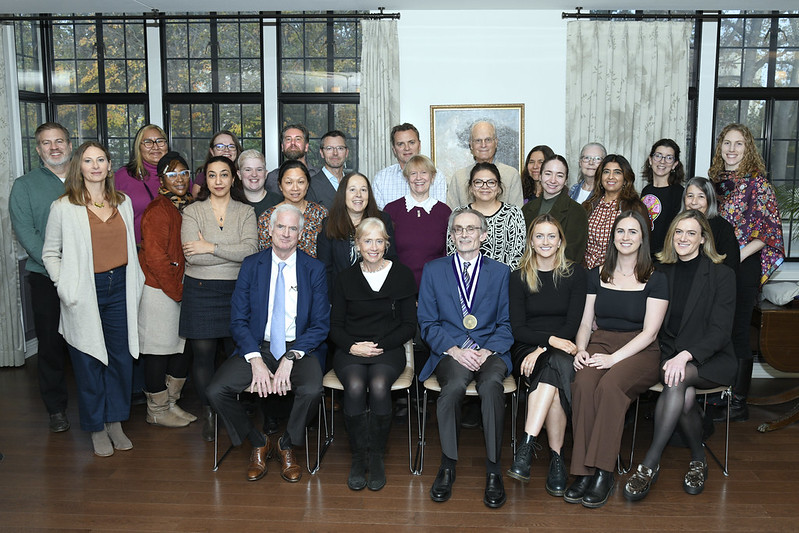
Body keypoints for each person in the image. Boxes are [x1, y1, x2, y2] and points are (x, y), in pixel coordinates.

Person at [206, 204, 329, 483]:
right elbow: (238, 319)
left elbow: (320, 324)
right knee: (216, 390)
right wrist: (256, 359)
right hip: (256, 346)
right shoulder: (252, 265)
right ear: (269, 230)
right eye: (281, 227)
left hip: (298, 347)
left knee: (311, 389)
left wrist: (291, 356)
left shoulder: (314, 269)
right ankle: (258, 441)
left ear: (301, 233)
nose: (286, 233)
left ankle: (286, 444)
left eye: (293, 228)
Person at [623, 210, 736, 501]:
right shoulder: (660, 272)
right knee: (681, 389)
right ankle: (698, 458)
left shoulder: (722, 275)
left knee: (678, 381)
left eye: (691, 233)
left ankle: (649, 464)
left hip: (712, 357)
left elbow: (721, 331)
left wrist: (687, 354)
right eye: (678, 232)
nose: (683, 238)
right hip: (669, 355)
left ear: (702, 239)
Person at [42, 141, 145, 457]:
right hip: (85, 290)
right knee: (88, 360)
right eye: (88, 160)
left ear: (109, 165)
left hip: (120, 288)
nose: (96, 165)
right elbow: (50, 253)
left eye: (101, 159)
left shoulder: (122, 202)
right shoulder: (64, 207)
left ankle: (115, 421)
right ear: (79, 166)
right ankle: (96, 427)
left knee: (119, 358)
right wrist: (66, 287)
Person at [564, 210, 668, 509]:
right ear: (613, 237)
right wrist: (581, 350)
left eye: (633, 232)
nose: (625, 237)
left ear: (642, 238)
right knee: (583, 383)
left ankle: (603, 472)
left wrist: (613, 360)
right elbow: (586, 322)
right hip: (601, 342)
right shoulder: (597, 273)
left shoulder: (655, 278)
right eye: (620, 231)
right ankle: (582, 470)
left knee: (610, 388)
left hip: (639, 351)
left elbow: (650, 333)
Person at [418, 207, 514, 509]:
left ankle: (494, 469)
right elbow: (427, 322)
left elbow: (507, 323)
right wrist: (458, 349)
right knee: (454, 386)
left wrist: (485, 351)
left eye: (471, 229)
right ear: (451, 234)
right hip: (450, 351)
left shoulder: (500, 272)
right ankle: (447, 464)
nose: (464, 234)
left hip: (490, 350)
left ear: (483, 235)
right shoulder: (434, 270)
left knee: (490, 387)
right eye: (458, 229)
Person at [329, 217, 417, 491]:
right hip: (350, 348)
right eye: (368, 241)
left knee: (379, 384)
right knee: (355, 385)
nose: (374, 247)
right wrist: (354, 346)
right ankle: (358, 457)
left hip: (388, 348)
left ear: (386, 244)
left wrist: (378, 343)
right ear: (357, 245)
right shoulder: (345, 278)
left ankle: (376, 456)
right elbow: (335, 327)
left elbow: (408, 326)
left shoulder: (402, 275)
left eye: (380, 241)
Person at [506, 215, 587, 497]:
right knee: (555, 365)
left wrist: (548, 346)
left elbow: (572, 324)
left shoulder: (576, 274)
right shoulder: (518, 277)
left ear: (561, 241)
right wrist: (545, 343)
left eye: (551, 236)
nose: (545, 242)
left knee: (554, 366)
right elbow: (518, 328)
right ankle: (556, 459)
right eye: (539, 236)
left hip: (561, 347)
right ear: (531, 241)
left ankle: (527, 448)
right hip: (527, 348)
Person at [710, 123, 785, 421]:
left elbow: (767, 232)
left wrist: (733, 257)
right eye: (727, 143)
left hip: (743, 265)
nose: (731, 149)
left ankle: (738, 403)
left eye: (738, 144)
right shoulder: (714, 184)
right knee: (718, 331)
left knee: (738, 331)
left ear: (748, 148)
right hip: (715, 266)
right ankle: (717, 395)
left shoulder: (759, 185)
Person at [180, 155, 258, 441]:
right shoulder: (192, 212)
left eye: (224, 175)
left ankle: (232, 407)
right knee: (203, 357)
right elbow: (192, 256)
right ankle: (210, 411)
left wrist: (209, 246)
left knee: (238, 353)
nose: (218, 181)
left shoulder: (246, 212)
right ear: (206, 179)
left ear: (233, 178)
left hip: (238, 292)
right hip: (200, 289)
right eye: (212, 176)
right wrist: (227, 252)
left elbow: (250, 251)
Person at [9, 122, 73, 432]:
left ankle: (97, 405)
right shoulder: (24, 185)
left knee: (89, 343)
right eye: (46, 143)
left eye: (59, 141)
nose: (54, 147)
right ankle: (56, 409)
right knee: (50, 346)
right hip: (46, 277)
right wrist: (57, 267)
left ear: (69, 145)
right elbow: (27, 233)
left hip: (90, 276)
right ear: (38, 149)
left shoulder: (87, 177)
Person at [137, 151, 195, 428]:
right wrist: (177, 291)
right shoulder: (157, 210)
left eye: (184, 172)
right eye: (172, 174)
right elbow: (156, 259)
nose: (179, 179)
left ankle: (171, 403)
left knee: (180, 349)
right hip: (160, 290)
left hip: (179, 288)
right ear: (161, 179)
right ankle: (156, 410)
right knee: (158, 352)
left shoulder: (187, 205)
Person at [317, 172, 397, 293]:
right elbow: (325, 269)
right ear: (343, 194)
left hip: (379, 294)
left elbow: (391, 259)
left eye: (363, 190)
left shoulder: (383, 220)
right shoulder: (329, 224)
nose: (358, 195)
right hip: (343, 296)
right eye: (352, 190)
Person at [383, 154, 452, 288]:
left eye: (424, 173)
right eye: (413, 173)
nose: (418, 178)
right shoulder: (391, 210)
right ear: (407, 178)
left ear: (432, 178)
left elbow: (447, 254)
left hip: (435, 287)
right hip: (399, 287)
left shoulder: (444, 212)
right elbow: (385, 252)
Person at [447, 162, 525, 270]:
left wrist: (498, 280)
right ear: (470, 187)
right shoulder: (459, 214)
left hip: (503, 282)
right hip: (464, 280)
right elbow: (452, 251)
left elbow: (518, 256)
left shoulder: (513, 214)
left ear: (498, 187)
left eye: (491, 182)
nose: (485, 187)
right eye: (478, 182)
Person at [582, 154, 649, 269]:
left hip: (617, 273)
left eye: (617, 172)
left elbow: (644, 243)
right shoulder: (588, 205)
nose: (611, 177)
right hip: (586, 272)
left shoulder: (636, 207)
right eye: (606, 172)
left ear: (625, 179)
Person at [521, 155, 589, 264]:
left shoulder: (577, 211)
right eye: (548, 174)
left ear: (566, 180)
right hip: (529, 273)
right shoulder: (527, 209)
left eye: (560, 175)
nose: (553, 180)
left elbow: (573, 254)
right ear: (540, 176)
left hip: (561, 275)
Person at [258, 160, 328, 257]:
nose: (295, 188)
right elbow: (264, 256)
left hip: (314, 271)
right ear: (280, 186)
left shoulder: (320, 214)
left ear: (307, 185)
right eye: (289, 182)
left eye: (300, 182)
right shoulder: (267, 218)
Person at [447, 121, 524, 208]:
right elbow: (452, 216)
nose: (483, 145)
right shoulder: (458, 178)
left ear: (496, 142)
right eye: (478, 140)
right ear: (471, 144)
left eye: (488, 140)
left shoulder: (511, 175)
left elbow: (517, 213)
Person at [114, 124, 169, 244]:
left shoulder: (178, 175)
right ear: (138, 147)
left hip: (174, 251)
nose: (155, 147)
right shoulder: (123, 176)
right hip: (137, 251)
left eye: (160, 141)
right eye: (148, 142)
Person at [372, 123, 447, 208]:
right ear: (394, 149)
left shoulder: (437, 176)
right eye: (400, 144)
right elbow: (380, 218)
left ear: (419, 145)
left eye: (411, 142)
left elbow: (439, 214)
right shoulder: (381, 179)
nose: (407, 148)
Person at [681, 177, 739, 273]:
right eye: (690, 196)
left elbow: (731, 267)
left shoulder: (723, 227)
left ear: (710, 200)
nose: (694, 202)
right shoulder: (677, 224)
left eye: (701, 197)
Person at [640, 139, 685, 255]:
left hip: (666, 257)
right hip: (644, 254)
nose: (662, 161)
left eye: (669, 158)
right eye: (658, 156)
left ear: (675, 164)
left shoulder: (679, 193)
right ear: (650, 160)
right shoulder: (646, 191)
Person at [265, 124, 315, 194]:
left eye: (298, 139)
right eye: (288, 139)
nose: (293, 143)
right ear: (282, 147)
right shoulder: (272, 178)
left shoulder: (317, 175)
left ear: (306, 147)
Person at [191, 130, 243, 196]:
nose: (226, 150)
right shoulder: (202, 177)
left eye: (231, 146)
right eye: (220, 146)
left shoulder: (245, 175)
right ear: (212, 151)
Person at [307, 130, 349, 209]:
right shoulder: (311, 185)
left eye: (340, 148)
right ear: (322, 153)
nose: (335, 153)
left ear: (346, 152)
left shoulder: (353, 182)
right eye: (329, 148)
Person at [239, 149, 282, 218]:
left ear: (266, 174)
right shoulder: (233, 202)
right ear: (239, 174)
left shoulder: (279, 202)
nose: (254, 174)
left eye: (259, 169)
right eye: (248, 170)